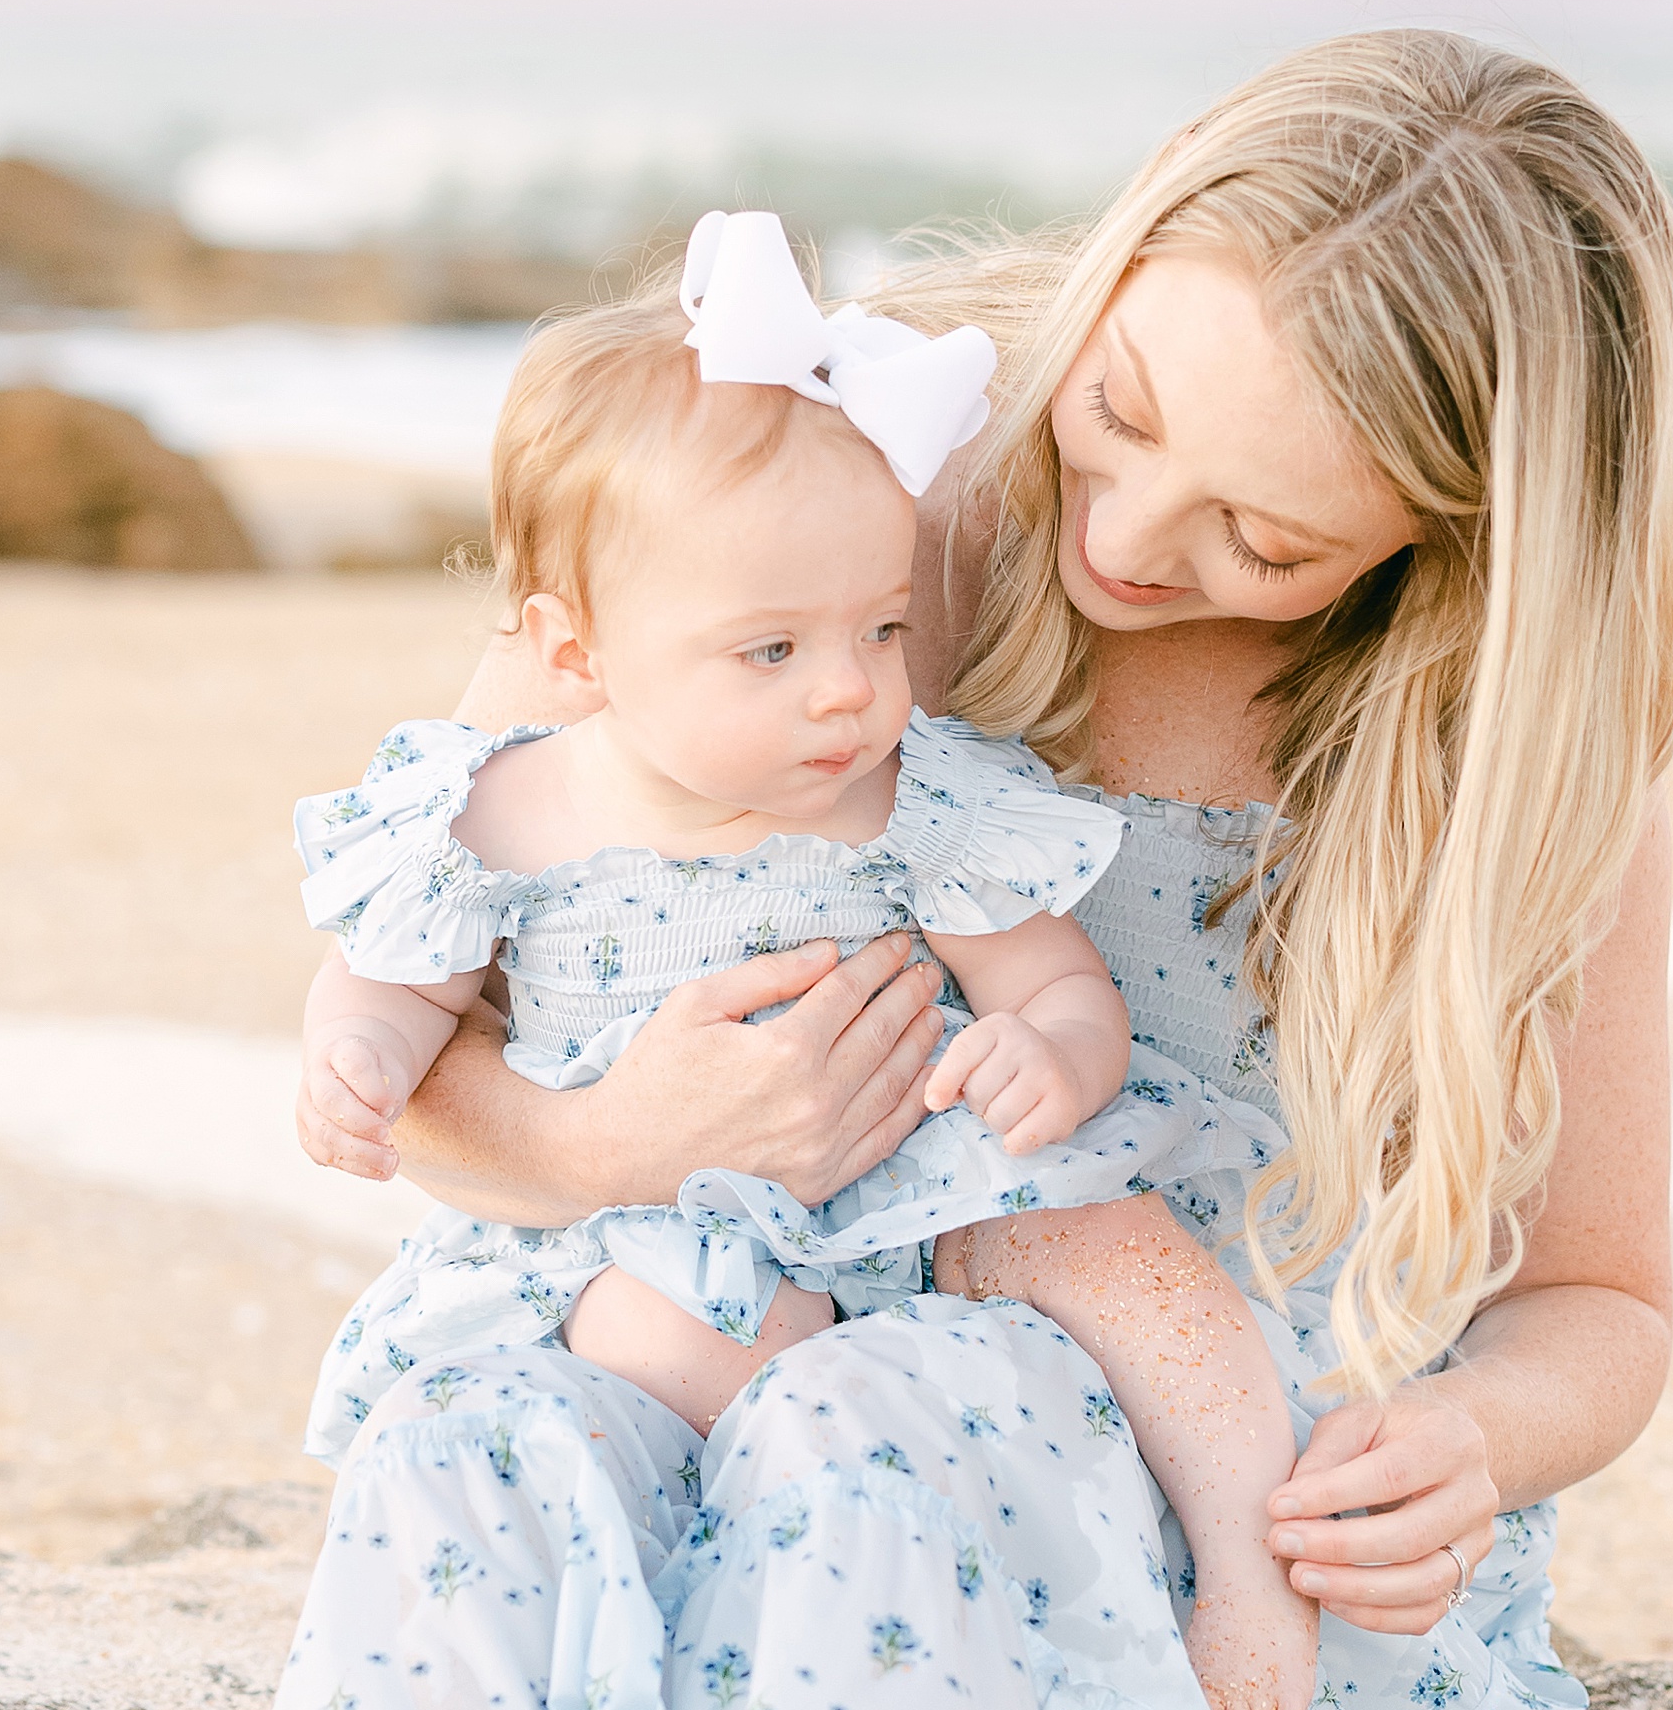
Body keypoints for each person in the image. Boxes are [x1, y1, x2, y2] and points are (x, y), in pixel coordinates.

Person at [129, 34, 1673, 1710]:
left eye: (1267, 535)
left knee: (909, 1403)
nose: (1128, 531)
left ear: (1462, 548)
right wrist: (624, 1145)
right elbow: (456, 1047)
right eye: (1119, 417)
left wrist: (1459, 1431)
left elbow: (1604, 1306)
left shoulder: (1504, 766)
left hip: (1098, 1438)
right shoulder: (832, 507)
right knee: (475, 1448)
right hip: (668, 1278)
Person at [295, 207, 1200, 1454]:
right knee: (686, 1338)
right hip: (633, 1239)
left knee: (1126, 1275)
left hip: (897, 1231)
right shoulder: (503, 809)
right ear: (578, 653)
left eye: (879, 630)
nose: (847, 689)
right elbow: (397, 989)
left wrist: (1052, 1054)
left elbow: (1053, 981)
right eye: (771, 648)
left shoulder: (916, 806)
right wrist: (358, 1062)